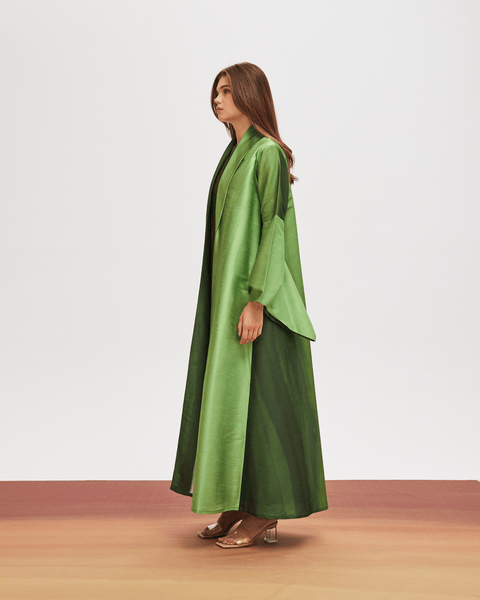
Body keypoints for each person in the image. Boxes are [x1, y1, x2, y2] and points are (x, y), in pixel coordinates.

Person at [170, 62, 328, 549]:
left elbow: (273, 228)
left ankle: (266, 511)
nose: (216, 99)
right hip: (227, 300)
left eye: (226, 91)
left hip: (260, 303)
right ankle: (238, 503)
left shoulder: (267, 153)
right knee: (231, 401)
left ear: (249, 94)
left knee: (263, 404)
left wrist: (256, 301)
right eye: (214, 92)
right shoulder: (233, 153)